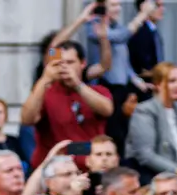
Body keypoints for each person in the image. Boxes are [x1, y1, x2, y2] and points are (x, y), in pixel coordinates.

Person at [22, 41, 113, 171]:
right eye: (59, 63)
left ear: (82, 63)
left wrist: (77, 84)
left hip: (91, 169)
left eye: (70, 63)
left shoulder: (97, 90)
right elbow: (27, 119)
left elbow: (107, 109)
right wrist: (44, 79)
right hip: (54, 171)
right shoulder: (46, 93)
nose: (64, 68)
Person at [127, 61, 177, 180]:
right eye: (172, 81)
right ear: (158, 84)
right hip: (159, 177)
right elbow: (146, 155)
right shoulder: (144, 110)